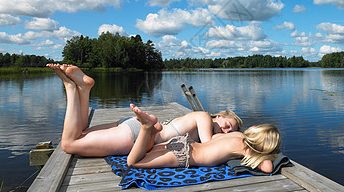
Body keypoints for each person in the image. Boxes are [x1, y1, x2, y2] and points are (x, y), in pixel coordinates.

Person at [47, 64, 242, 157]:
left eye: (229, 131)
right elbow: (209, 146)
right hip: (138, 134)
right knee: (70, 144)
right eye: (227, 125)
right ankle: (71, 88)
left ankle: (84, 89)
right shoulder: (204, 118)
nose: (225, 131)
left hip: (136, 128)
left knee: (79, 133)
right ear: (218, 115)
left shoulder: (198, 120)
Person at [127, 104, 281, 174]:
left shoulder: (236, 135)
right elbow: (268, 168)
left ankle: (152, 133)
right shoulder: (247, 150)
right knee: (134, 162)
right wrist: (265, 154)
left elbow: (214, 140)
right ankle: (146, 128)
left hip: (184, 142)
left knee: (147, 153)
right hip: (184, 155)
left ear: (253, 128)